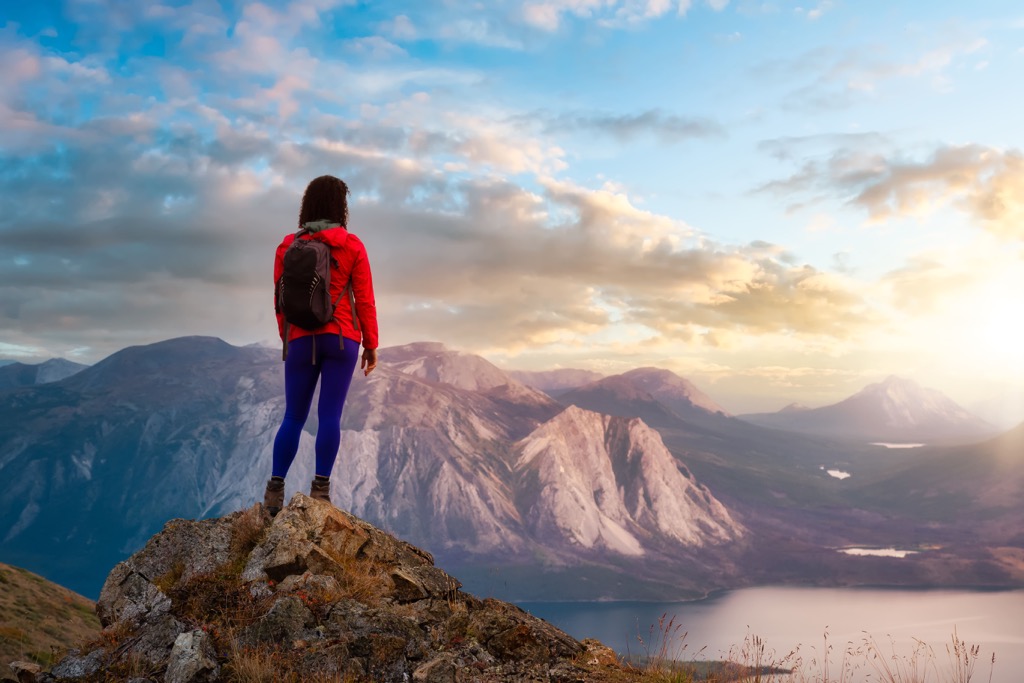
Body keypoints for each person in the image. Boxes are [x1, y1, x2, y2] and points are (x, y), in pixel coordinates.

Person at [263, 175, 378, 516]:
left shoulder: (287, 246)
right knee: (330, 416)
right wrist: (371, 345)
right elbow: (365, 301)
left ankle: (274, 492)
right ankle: (320, 493)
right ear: (340, 206)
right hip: (341, 338)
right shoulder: (352, 245)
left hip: (299, 339)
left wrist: (288, 338)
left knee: (293, 417)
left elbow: (279, 299)